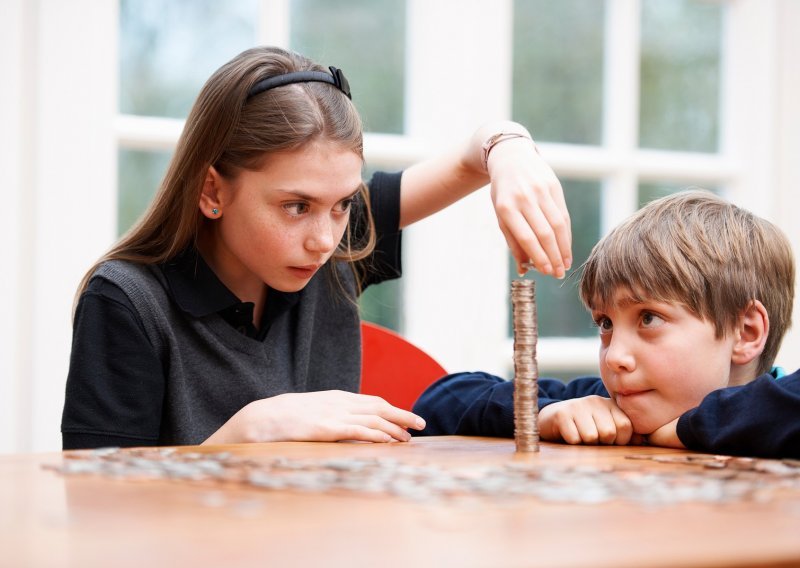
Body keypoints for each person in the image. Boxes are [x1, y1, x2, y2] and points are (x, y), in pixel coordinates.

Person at [61, 46, 571, 450]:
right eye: (294, 206)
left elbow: (469, 160)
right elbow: (97, 507)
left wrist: (509, 147)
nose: (325, 240)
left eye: (344, 203)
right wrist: (251, 429)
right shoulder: (126, 301)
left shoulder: (333, 250)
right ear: (212, 191)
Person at [413, 190, 800, 459]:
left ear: (746, 333)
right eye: (605, 323)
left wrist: (693, 427)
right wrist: (542, 415)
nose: (615, 356)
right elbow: (440, 402)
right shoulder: (614, 405)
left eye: (649, 318)